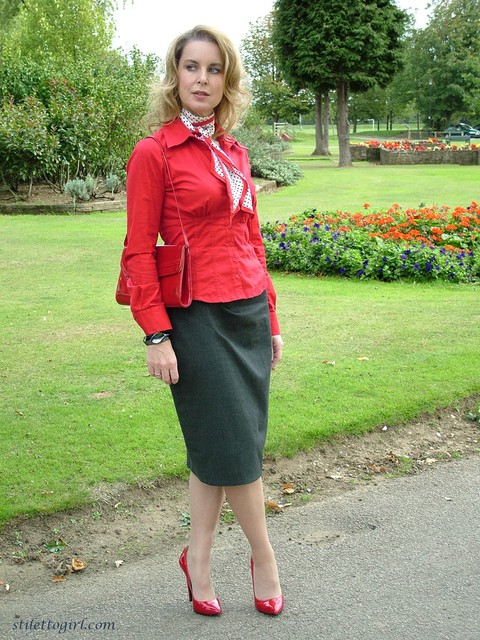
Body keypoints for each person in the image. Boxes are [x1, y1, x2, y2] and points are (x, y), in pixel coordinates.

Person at [123, 25, 284, 616]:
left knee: (221, 445)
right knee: (236, 445)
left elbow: (253, 241)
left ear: (227, 80)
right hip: (195, 317)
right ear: (175, 75)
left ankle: (200, 556)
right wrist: (156, 333)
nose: (202, 79)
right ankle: (263, 556)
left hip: (245, 312)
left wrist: (270, 318)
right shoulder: (155, 153)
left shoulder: (235, 151)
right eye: (192, 68)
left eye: (214, 69)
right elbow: (139, 249)